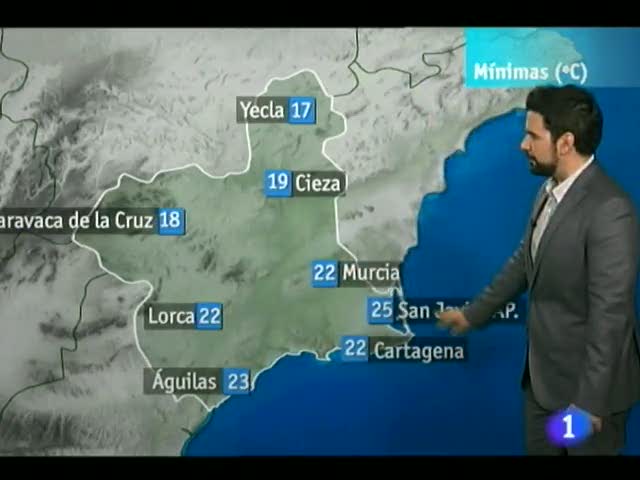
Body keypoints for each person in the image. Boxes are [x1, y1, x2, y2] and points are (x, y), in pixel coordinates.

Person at [436, 84, 640, 455]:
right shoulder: (548, 191)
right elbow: (524, 262)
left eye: (533, 136)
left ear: (565, 143)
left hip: (585, 397)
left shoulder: (610, 210)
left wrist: (589, 403)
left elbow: (611, 316)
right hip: (542, 385)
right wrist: (473, 314)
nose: (523, 145)